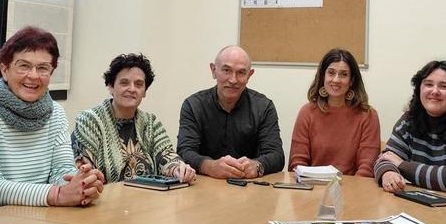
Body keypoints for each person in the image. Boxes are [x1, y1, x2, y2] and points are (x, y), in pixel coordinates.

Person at [0, 27, 104, 218]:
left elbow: (62, 169)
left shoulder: (55, 112)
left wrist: (81, 184)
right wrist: (57, 195)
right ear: (5, 69)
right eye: (23, 66)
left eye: (43, 68)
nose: (33, 76)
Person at [374, 60, 446, 193]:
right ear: (419, 90)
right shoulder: (409, 120)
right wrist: (388, 173)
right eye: (428, 84)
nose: (434, 91)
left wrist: (402, 165)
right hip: (421, 203)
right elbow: (387, 157)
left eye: (444, 86)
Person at [72, 53, 195, 183]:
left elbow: (167, 156)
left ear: (145, 91)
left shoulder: (151, 123)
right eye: (124, 83)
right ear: (110, 87)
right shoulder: (89, 122)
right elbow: (84, 172)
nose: (132, 89)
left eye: (138, 84)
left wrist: (178, 169)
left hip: (147, 198)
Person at [177, 45, 284, 179]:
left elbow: (277, 155)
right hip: (205, 185)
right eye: (226, 70)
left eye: (241, 72)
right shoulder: (193, 105)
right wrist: (209, 166)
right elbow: (184, 151)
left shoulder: (263, 107)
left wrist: (257, 166)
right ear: (213, 70)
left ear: (249, 75)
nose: (233, 80)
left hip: (249, 188)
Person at [289, 48, 380, 176]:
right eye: (331, 73)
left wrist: (354, 193)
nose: (336, 80)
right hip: (312, 187)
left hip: (354, 190)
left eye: (343, 74)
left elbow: (367, 168)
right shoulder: (307, 112)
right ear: (323, 76)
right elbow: (297, 163)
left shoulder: (368, 115)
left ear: (352, 80)